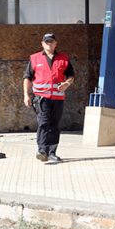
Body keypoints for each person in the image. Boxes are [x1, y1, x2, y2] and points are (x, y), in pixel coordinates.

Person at [23, 33, 75, 163]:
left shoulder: (63, 58)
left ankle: (52, 152)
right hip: (41, 98)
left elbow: (71, 76)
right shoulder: (35, 58)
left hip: (57, 98)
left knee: (54, 125)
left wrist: (66, 84)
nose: (49, 44)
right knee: (44, 123)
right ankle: (42, 150)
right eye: (46, 42)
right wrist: (26, 95)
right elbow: (27, 78)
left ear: (55, 43)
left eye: (51, 41)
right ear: (42, 44)